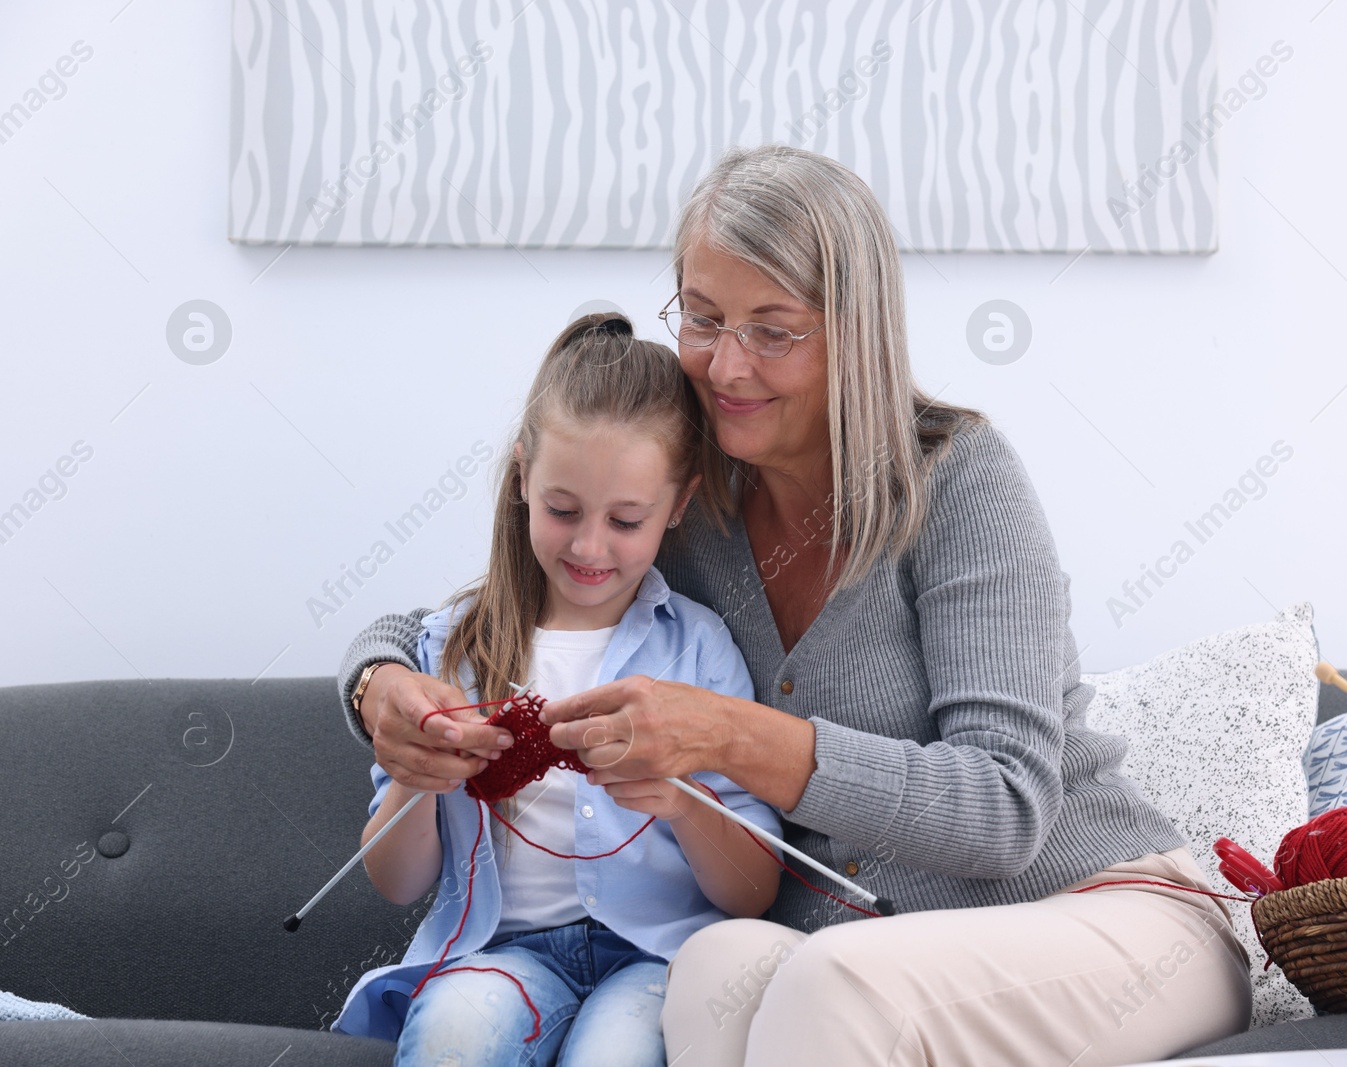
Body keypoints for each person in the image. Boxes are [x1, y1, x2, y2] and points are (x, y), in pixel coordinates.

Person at [338, 144, 1252, 1066]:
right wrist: (376, 682)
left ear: (854, 332)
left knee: (829, 980)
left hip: (1102, 914)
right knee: (712, 966)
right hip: (869, 950)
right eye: (702, 317)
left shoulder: (958, 480)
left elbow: (1005, 807)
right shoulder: (686, 509)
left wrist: (730, 736)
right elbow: (489, 606)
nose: (725, 365)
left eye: (773, 330)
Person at [329, 314, 782, 1067]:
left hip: (657, 957)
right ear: (521, 481)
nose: (589, 545)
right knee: (453, 1032)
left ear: (677, 505)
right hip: (502, 954)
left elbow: (752, 889)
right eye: (562, 509)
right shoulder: (453, 648)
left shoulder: (698, 648)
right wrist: (417, 773)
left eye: (626, 519)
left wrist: (680, 797)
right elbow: (395, 880)